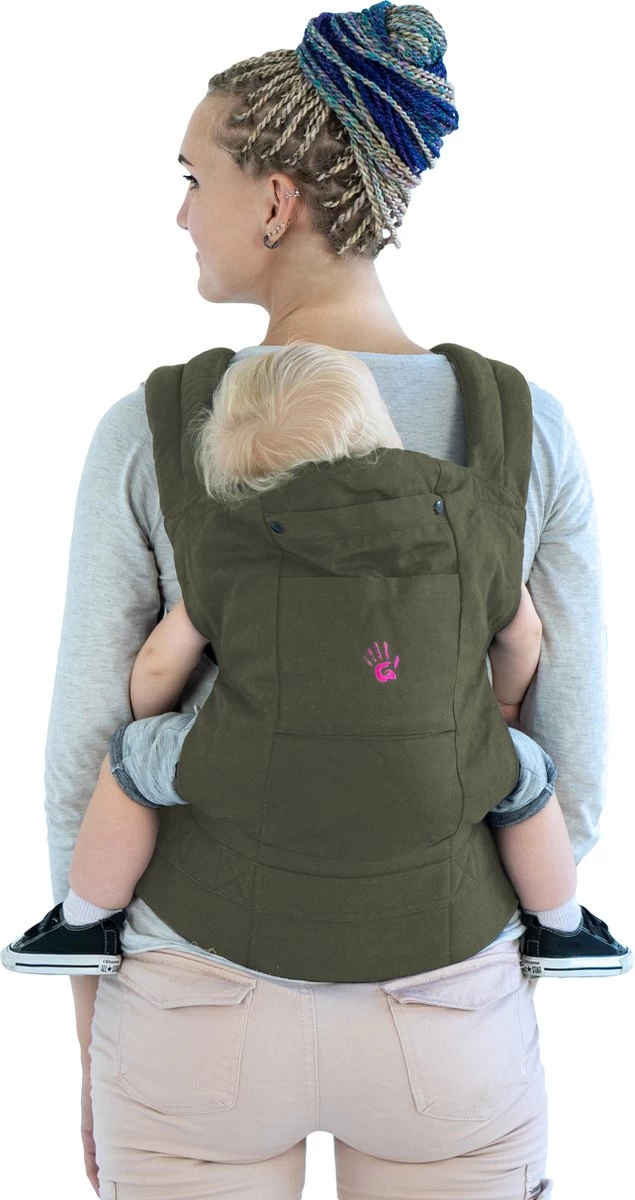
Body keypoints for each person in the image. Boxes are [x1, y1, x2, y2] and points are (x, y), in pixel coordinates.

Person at [0, 3, 623, 1195]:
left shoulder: (149, 427)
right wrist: (477, 981)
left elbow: (91, 747)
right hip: (447, 993)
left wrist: (90, 1029)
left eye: (195, 177)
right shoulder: (526, 428)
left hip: (192, 1003)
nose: (180, 213)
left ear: (276, 201)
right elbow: (572, 765)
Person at [2, 339, 631, 986]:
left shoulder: (226, 550)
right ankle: (559, 926)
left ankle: (85, 920)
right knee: (528, 778)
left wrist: (150, 715)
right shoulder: (469, 539)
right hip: (434, 764)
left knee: (131, 762)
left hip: (250, 770)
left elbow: (161, 663)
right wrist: (501, 708)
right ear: (385, 436)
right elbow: (524, 635)